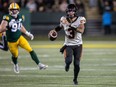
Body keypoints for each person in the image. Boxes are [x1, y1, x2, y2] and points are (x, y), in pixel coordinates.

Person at [0, 2, 48, 73]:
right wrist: (7, 27)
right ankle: (15, 64)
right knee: (15, 56)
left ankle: (39, 64)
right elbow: (1, 29)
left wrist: (27, 33)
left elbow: (20, 26)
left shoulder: (20, 17)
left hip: (20, 37)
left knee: (30, 49)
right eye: (12, 9)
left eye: (15, 9)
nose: (13, 11)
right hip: (11, 41)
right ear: (9, 10)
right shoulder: (7, 18)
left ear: (18, 10)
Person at [48, 4, 86, 85]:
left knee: (77, 64)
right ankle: (67, 65)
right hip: (68, 44)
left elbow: (81, 30)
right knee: (68, 61)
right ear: (67, 11)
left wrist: (69, 25)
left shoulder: (80, 19)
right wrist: (54, 31)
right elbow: (59, 27)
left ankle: (75, 79)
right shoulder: (63, 19)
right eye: (69, 11)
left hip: (78, 45)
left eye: (72, 11)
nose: (70, 12)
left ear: (75, 11)